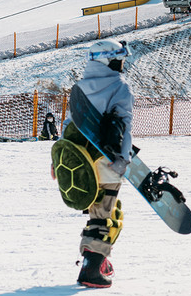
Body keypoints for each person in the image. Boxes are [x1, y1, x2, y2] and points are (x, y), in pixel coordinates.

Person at [55, 39, 135, 288]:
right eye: (118, 59)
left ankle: (97, 259)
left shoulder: (79, 86)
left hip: (80, 162)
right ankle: (91, 267)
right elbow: (124, 125)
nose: (121, 64)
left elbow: (69, 125)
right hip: (107, 162)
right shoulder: (119, 86)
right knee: (105, 217)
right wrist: (123, 159)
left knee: (103, 212)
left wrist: (57, 161)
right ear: (108, 60)